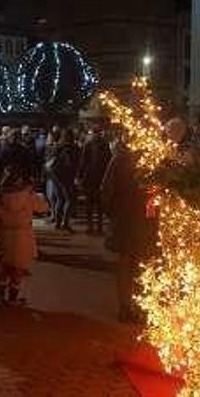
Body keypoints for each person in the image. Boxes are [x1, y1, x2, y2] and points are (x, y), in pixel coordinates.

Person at [101, 143, 151, 322]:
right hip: (142, 221)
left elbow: (106, 190)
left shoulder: (121, 160)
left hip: (127, 219)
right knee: (138, 264)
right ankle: (133, 306)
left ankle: (127, 306)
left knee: (127, 263)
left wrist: (112, 213)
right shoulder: (152, 160)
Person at [0, 164, 48, 306]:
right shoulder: (28, 195)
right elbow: (43, 207)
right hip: (23, 235)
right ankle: (13, 298)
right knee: (18, 268)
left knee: (4, 267)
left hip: (5, 235)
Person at [77, 127, 113, 235]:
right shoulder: (105, 145)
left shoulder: (88, 144)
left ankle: (90, 226)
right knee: (99, 204)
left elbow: (83, 162)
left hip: (90, 178)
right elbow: (109, 162)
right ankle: (99, 227)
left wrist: (79, 176)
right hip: (100, 178)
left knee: (90, 204)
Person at [50, 129, 80, 232]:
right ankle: (65, 223)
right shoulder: (73, 148)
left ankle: (58, 223)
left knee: (60, 199)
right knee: (70, 200)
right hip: (67, 177)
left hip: (56, 176)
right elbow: (74, 163)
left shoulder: (57, 146)